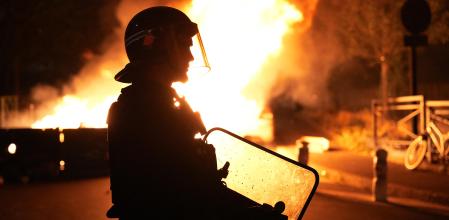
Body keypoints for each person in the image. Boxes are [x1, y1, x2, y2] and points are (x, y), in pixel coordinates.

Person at [106, 6, 287, 220]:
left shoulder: (153, 104)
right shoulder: (149, 111)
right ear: (158, 46)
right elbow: (177, 198)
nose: (191, 57)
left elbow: (183, 182)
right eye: (184, 46)